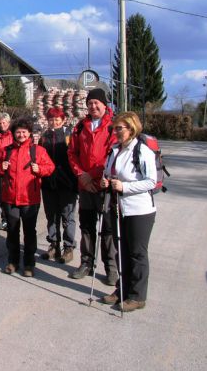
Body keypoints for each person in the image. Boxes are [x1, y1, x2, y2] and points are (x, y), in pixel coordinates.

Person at [100, 111, 157, 312]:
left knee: (137, 253)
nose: (116, 131)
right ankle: (122, 289)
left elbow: (150, 181)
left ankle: (137, 296)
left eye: (119, 128)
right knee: (122, 250)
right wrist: (106, 181)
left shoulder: (142, 151)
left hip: (140, 210)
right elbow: (108, 173)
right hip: (118, 208)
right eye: (114, 128)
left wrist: (125, 187)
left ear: (131, 128)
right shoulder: (115, 150)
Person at [0, 118, 54, 277]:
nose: (21, 135)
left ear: (30, 133)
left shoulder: (37, 151)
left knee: (29, 231)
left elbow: (50, 167)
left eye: (24, 132)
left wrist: (39, 169)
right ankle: (13, 261)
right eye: (18, 132)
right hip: (10, 198)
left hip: (30, 199)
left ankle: (29, 263)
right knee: (12, 230)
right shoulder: (6, 150)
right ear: (13, 133)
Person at [67, 88, 118, 284]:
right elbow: (72, 153)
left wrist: (93, 176)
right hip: (85, 186)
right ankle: (86, 263)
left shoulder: (113, 126)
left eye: (97, 103)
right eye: (90, 103)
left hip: (105, 186)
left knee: (108, 230)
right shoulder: (80, 126)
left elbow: (112, 155)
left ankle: (110, 267)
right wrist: (82, 176)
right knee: (86, 227)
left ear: (105, 105)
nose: (93, 106)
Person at [39, 107, 78, 264]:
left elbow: (75, 157)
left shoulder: (69, 136)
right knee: (51, 216)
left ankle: (68, 248)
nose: (54, 122)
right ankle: (54, 245)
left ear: (63, 120)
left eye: (57, 119)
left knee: (67, 216)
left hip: (67, 182)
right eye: (51, 119)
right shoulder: (44, 136)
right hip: (48, 182)